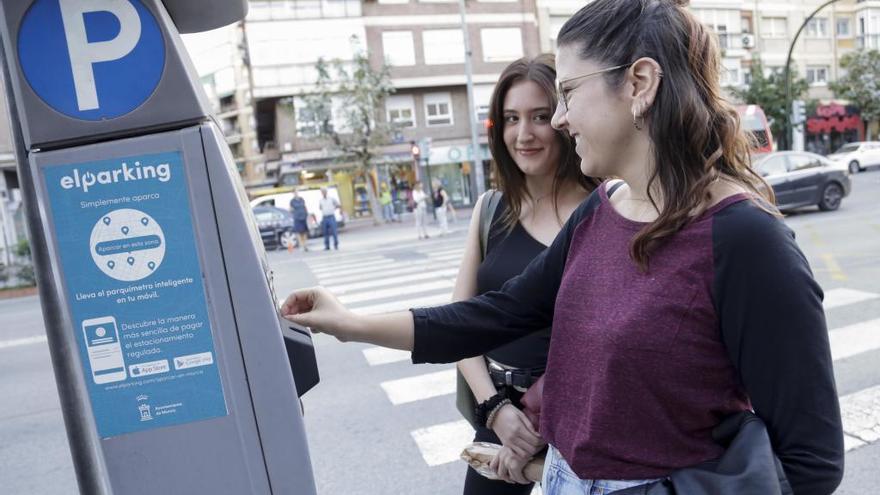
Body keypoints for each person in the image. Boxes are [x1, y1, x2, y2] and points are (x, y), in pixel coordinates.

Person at [282, 1, 844, 494]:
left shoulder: (748, 241)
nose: (558, 118)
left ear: (640, 84)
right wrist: (348, 323)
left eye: (570, 91)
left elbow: (811, 463)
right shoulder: (603, 208)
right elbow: (498, 314)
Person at [454, 54, 597, 495]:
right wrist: (496, 409)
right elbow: (461, 323)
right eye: (511, 118)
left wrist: (538, 421)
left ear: (564, 120)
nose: (524, 134)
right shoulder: (491, 209)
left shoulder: (602, 210)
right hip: (498, 412)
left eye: (539, 116)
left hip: (578, 417)